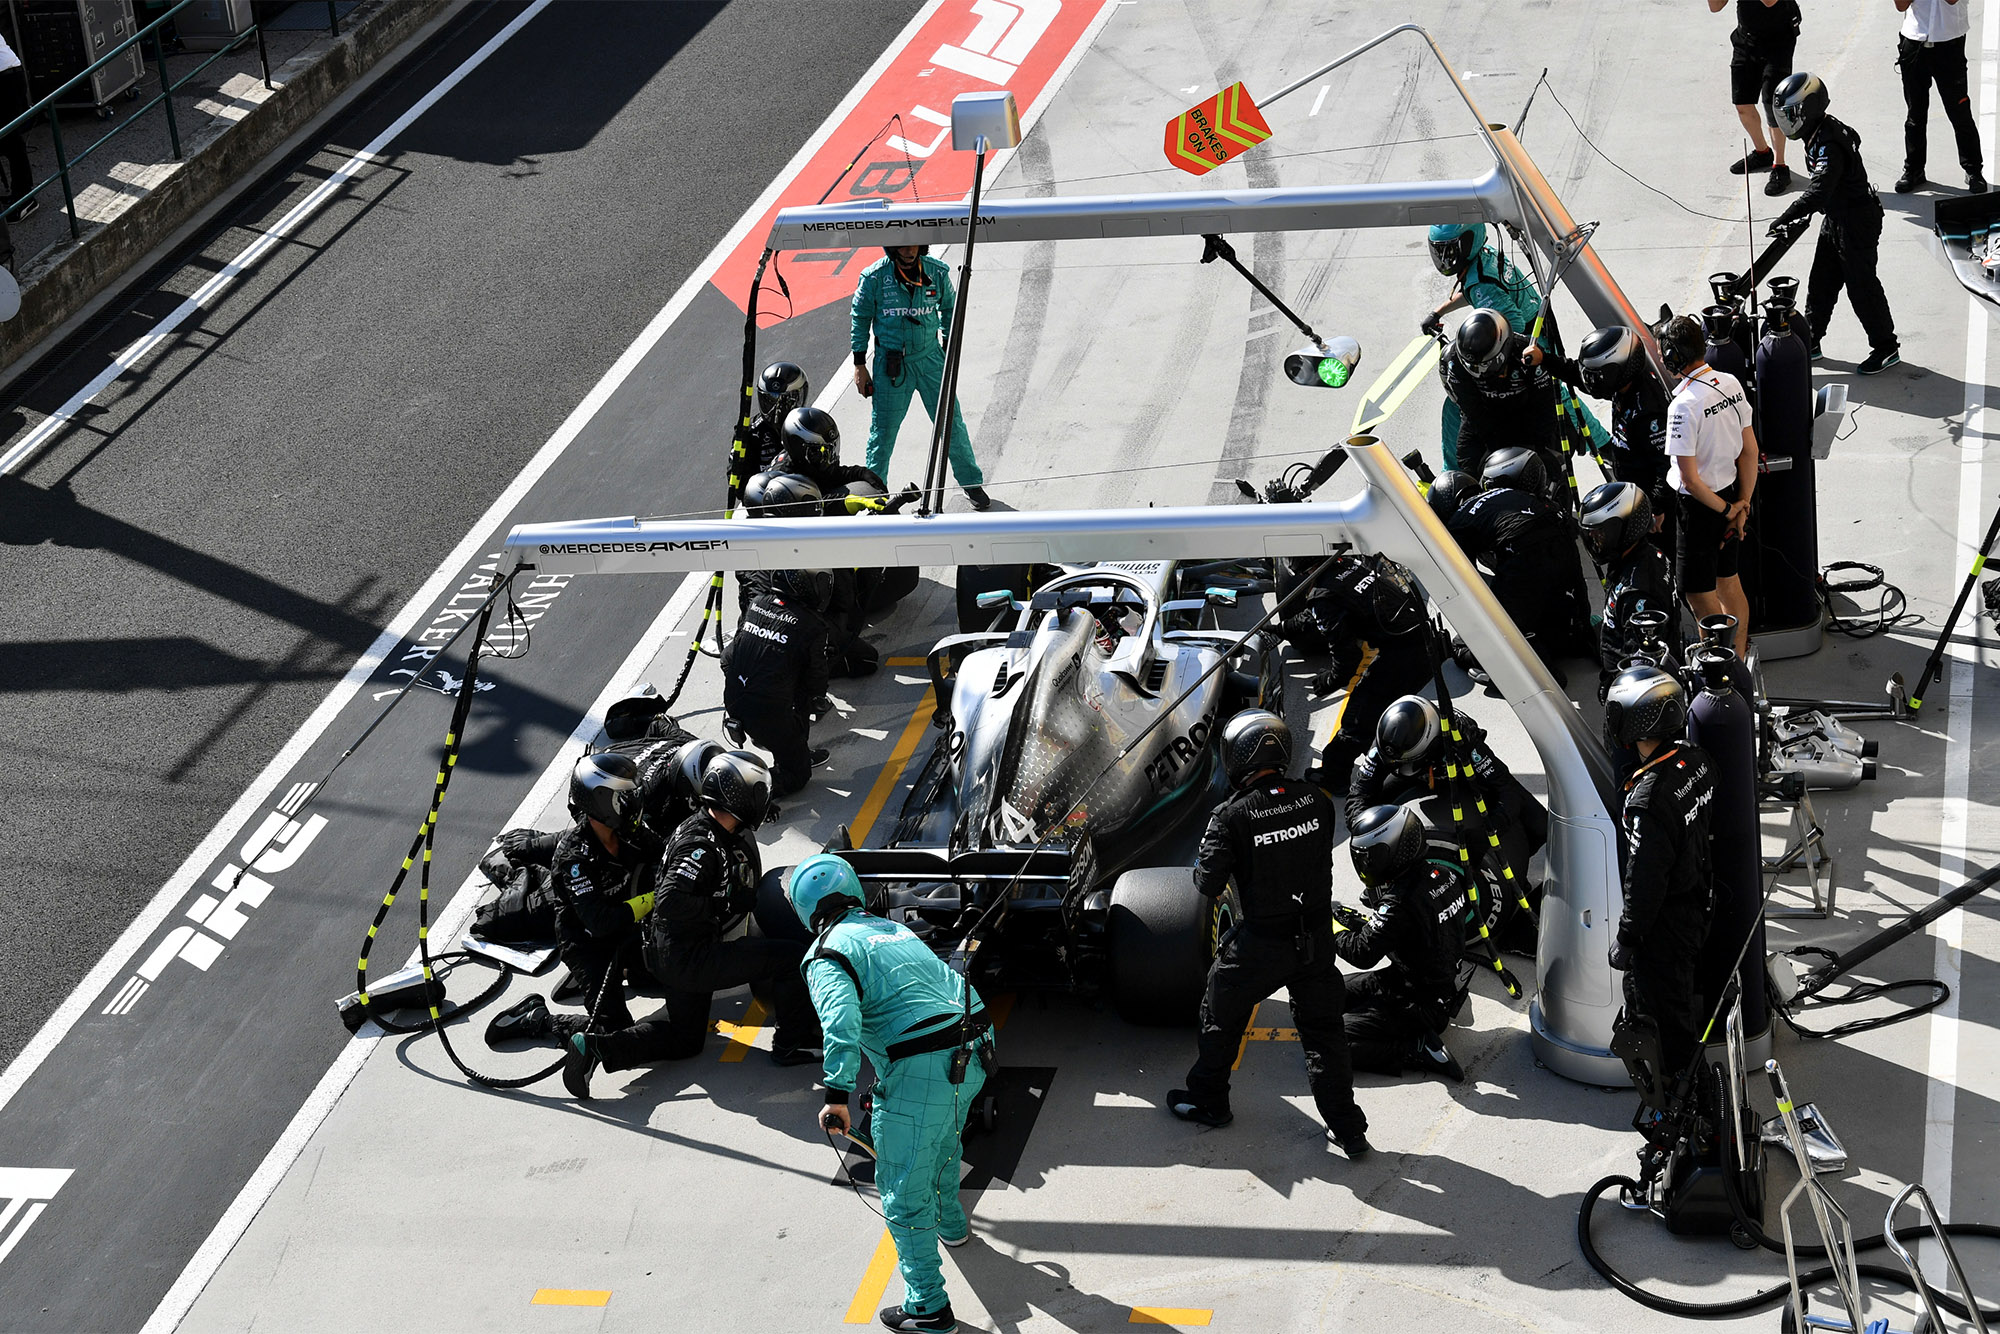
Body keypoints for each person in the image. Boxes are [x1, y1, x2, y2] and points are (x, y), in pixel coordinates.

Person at [790, 854, 993, 1334]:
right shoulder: (891, 929)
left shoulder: (826, 954)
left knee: (902, 1193)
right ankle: (952, 1226)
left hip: (921, 1067)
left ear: (805, 909)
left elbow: (840, 1023)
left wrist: (836, 1095)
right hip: (977, 1050)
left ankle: (928, 1307)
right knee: (944, 1142)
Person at [1168, 711, 1371, 1159]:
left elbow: (1207, 883)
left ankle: (1209, 1100)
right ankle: (1347, 1129)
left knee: (1220, 1014)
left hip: (1261, 943)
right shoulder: (1317, 800)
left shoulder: (1231, 816)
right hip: (1316, 939)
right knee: (1325, 1035)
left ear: (1237, 756)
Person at [561, 751, 823, 1098]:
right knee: (791, 958)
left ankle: (597, 1048)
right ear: (740, 797)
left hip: (668, 952)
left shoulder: (702, 826)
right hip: (690, 957)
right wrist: (724, 901)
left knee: (687, 1041)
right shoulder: (701, 845)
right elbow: (670, 899)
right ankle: (793, 1043)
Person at [485, 754, 664, 1050]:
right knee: (612, 1031)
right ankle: (537, 1019)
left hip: (627, 927)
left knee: (673, 975)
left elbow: (664, 856)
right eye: (624, 796)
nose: (633, 801)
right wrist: (654, 898)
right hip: (588, 943)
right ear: (601, 801)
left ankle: (616, 974)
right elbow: (600, 922)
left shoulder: (630, 831)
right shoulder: (574, 858)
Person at [1345, 695, 1547, 955]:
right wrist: (1373, 836)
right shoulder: (1387, 745)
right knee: (1370, 821)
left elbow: (1506, 791)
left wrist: (1489, 831)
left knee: (1540, 824)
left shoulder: (1463, 739)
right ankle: (1381, 882)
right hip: (1414, 778)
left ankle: (1513, 872)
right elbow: (1357, 798)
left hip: (1463, 776)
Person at [1422, 224, 1606, 475]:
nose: (1445, 259)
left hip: (1527, 341)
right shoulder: (1484, 259)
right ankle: (1604, 445)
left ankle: (1603, 445)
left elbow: (1511, 325)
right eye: (1440, 251)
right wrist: (1439, 311)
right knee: (1557, 390)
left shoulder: (1481, 284)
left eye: (1451, 250)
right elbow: (1473, 290)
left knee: (1554, 391)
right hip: (1538, 328)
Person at [1604, 665, 1717, 1077]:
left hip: (1665, 930)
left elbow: (1645, 881)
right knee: (1682, 1001)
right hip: (1699, 901)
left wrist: (1627, 939)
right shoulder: (1697, 759)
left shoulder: (1647, 802)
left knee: (1663, 1026)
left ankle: (1686, 1102)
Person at [1769, 72, 1902, 375]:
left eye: (1792, 115)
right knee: (1821, 282)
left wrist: (1787, 215)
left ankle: (1886, 347)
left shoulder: (1829, 144)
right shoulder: (1819, 132)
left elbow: (1819, 191)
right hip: (1836, 217)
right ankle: (1811, 341)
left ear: (1810, 108)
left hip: (1856, 222)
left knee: (1862, 287)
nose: (1788, 122)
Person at [1333, 804, 1472, 1082]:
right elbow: (1414, 931)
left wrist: (1331, 927)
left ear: (1393, 850)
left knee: (1332, 1043)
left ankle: (1416, 1048)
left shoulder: (1399, 900)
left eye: (1369, 856)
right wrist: (1365, 924)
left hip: (1421, 1001)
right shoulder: (1443, 874)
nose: (1365, 864)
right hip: (1414, 981)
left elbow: (1362, 953)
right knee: (1321, 998)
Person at [1280, 552, 1434, 795]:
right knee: (1382, 708)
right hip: (1425, 639)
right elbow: (1318, 615)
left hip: (1406, 654)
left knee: (1357, 718)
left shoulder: (1323, 595)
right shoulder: (1349, 565)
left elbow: (1348, 660)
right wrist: (1281, 629)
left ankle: (1333, 777)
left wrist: (1328, 682)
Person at [851, 245, 991, 511]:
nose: (909, 251)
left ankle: (971, 483)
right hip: (891, 365)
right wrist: (859, 364)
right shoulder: (873, 277)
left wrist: (948, 348)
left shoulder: (937, 273)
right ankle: (874, 495)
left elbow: (951, 309)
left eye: (913, 245)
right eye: (902, 246)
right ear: (892, 248)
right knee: (882, 433)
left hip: (931, 360)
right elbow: (860, 317)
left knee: (952, 424)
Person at [1434, 446, 1592, 675]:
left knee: (1469, 645)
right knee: (1561, 602)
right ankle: (1580, 636)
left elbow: (1464, 586)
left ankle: (1541, 673)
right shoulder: (1510, 495)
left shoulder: (1459, 521)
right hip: (1561, 532)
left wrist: (1483, 632)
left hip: (1522, 552)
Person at [1657, 315, 1757, 661]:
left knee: (1699, 597)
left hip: (1699, 512)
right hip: (1730, 496)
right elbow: (1750, 451)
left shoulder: (1682, 407)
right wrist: (1742, 505)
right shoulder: (1730, 383)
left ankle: (1720, 672)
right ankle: (1738, 661)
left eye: (1663, 353)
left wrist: (1729, 511)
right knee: (1729, 582)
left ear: (1674, 357)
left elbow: (1689, 480)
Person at [1546, 324, 1675, 556]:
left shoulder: (1648, 409)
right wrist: (1544, 359)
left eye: (1597, 374)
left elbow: (1666, 465)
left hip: (1652, 510)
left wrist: (1656, 509)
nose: (1591, 380)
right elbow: (1579, 375)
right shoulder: (1624, 385)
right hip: (1636, 493)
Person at [723, 568, 833, 796]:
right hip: (768, 713)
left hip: (733, 701)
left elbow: (727, 658)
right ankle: (742, 792)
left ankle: (788, 746)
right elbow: (816, 681)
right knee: (798, 775)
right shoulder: (813, 625)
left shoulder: (758, 603)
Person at [1438, 309, 1562, 485]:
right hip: (1484, 419)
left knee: (1547, 468)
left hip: (1527, 416)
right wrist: (1494, 448)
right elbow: (1473, 411)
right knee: (1468, 463)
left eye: (1485, 364)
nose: (1479, 373)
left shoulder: (1526, 354)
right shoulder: (1455, 362)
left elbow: (1545, 405)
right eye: (1473, 367)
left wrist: (1539, 448)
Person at [1580, 481, 1682, 693]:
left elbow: (1642, 667)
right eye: (1591, 535)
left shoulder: (1638, 593)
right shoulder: (1642, 555)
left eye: (1600, 533)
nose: (1595, 541)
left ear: (1626, 528)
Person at [1709, 0, 1801, 195]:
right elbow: (1715, 7)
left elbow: (1769, 2)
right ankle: (1762, 153)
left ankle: (1780, 166)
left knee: (1773, 103)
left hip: (1778, 41)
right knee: (1742, 103)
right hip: (1747, 39)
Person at [1894, 0, 1986, 195]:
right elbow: (1900, 5)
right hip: (1914, 42)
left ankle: (1973, 170)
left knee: (1960, 113)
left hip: (1949, 45)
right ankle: (1914, 169)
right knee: (1915, 114)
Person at [745, 361, 810, 475]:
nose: (776, 412)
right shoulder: (750, 432)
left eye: (785, 402)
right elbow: (738, 479)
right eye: (770, 401)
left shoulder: (809, 426)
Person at [0, 34, 34, 223]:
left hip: (6, 79)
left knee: (11, 141)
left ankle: (25, 198)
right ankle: (19, 193)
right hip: (8, 75)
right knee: (9, 141)